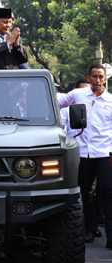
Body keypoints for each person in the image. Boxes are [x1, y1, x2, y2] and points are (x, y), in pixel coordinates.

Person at [58, 64, 112, 249]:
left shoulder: (111, 101)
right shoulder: (77, 95)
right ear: (88, 78)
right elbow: (56, 102)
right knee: (83, 192)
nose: (97, 80)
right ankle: (88, 229)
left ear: (105, 79)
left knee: (107, 191)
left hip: (105, 153)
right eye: (94, 77)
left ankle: (110, 236)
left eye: (100, 77)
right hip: (82, 151)